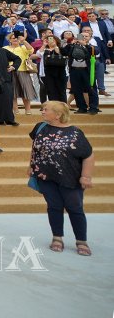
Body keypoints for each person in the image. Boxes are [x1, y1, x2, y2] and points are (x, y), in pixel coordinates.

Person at [29, 100, 95, 256]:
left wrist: (86, 176)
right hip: (46, 176)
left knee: (75, 208)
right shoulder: (40, 127)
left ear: (58, 115)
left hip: (70, 178)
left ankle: (81, 241)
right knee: (54, 206)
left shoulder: (75, 133)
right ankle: (57, 237)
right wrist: (31, 164)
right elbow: (35, 147)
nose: (42, 112)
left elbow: (88, 155)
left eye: (46, 110)